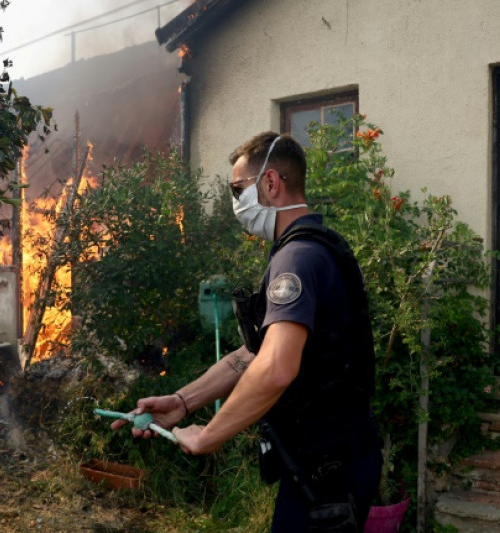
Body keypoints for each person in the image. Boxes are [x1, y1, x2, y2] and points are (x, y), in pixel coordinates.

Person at [112, 132, 381, 532]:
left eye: (239, 190)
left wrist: (208, 436)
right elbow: (252, 355)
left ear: (271, 183)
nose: (236, 203)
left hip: (327, 468)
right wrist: (183, 402)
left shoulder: (298, 259)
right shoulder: (311, 247)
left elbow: (274, 368)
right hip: (325, 462)